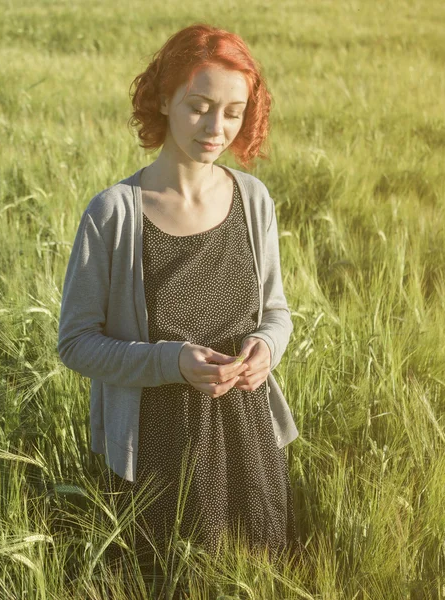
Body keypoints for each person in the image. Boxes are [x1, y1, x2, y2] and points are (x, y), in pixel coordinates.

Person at [57, 22, 300, 580]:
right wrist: (170, 362)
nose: (216, 129)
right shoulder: (114, 212)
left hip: (250, 445)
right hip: (157, 461)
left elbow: (277, 313)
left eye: (233, 112)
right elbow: (75, 343)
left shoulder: (253, 199)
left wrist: (266, 347)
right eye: (199, 106)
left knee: (254, 580)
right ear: (164, 98)